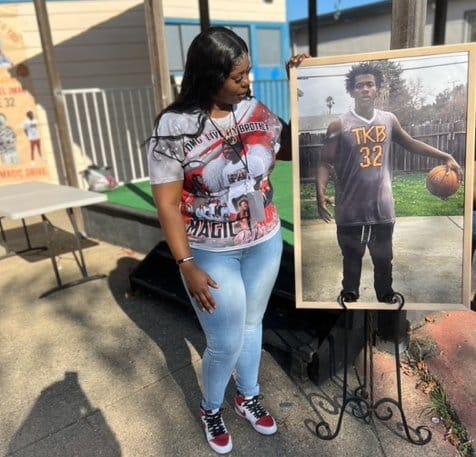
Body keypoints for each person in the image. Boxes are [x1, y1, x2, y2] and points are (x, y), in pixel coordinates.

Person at [148, 27, 303, 454]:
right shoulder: (174, 126)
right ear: (209, 76)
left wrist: (301, 89)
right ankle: (211, 407)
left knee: (253, 324)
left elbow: (288, 147)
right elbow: (166, 205)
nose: (247, 83)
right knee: (224, 340)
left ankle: (247, 396)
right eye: (238, 77)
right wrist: (186, 265)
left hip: (264, 240)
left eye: (248, 73)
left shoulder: (253, 109)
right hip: (209, 252)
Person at [316, 61, 462, 304]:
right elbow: (324, 162)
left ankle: (386, 301)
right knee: (351, 263)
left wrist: (444, 155)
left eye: (369, 85)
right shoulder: (339, 125)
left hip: (382, 210)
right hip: (350, 211)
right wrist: (320, 192)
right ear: (351, 90)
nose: (364, 89)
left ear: (377, 89)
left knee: (384, 262)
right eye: (359, 85)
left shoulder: (389, 120)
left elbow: (411, 143)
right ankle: (349, 303)